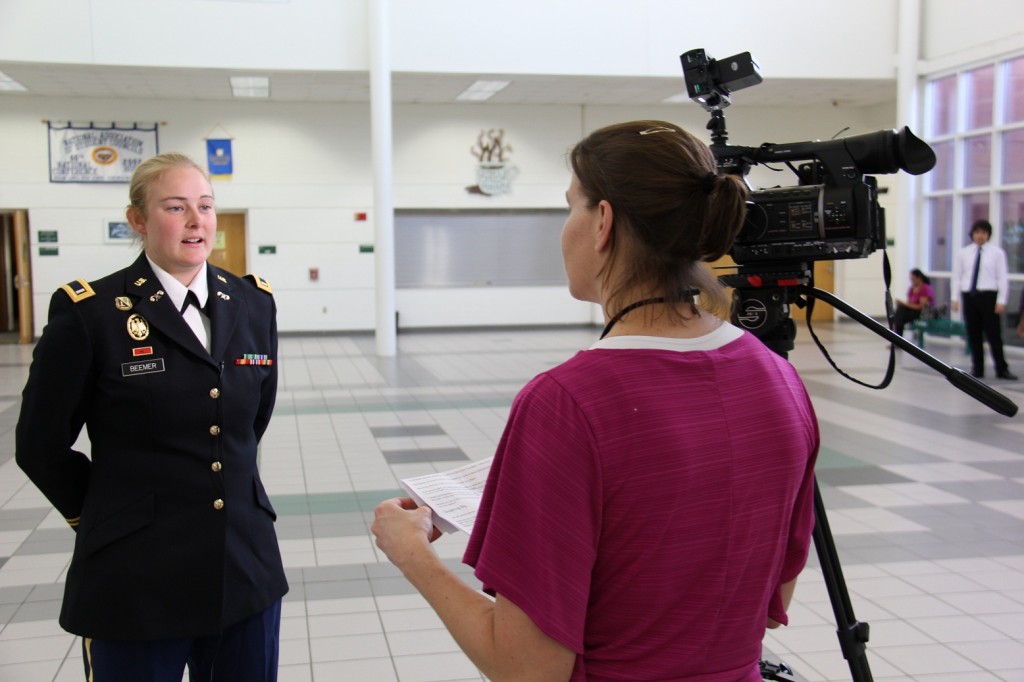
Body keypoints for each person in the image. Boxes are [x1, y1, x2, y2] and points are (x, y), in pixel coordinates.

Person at [372, 120, 820, 681]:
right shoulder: (780, 380)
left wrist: (413, 556)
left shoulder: (566, 404)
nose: (564, 230)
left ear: (603, 222)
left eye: (570, 208)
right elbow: (775, 594)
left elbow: (527, 669)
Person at [16, 153, 287, 681]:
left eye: (205, 206)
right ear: (137, 220)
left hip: (244, 566)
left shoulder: (253, 305)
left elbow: (251, 423)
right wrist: (106, 517)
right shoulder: (91, 314)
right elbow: (39, 446)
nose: (196, 221)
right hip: (137, 577)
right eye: (175, 207)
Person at [951, 219, 1018, 380]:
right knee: (973, 334)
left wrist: (1001, 300)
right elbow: (957, 277)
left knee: (994, 334)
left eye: (984, 233)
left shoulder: (997, 253)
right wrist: (955, 298)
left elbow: (1002, 278)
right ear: (972, 234)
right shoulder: (963, 253)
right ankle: (977, 368)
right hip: (970, 296)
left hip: (989, 296)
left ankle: (1001, 369)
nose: (980, 236)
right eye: (977, 232)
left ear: (988, 235)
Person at [893, 268, 935, 337]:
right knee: (900, 311)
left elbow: (921, 307)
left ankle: (896, 335)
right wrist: (904, 304)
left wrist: (905, 304)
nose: (912, 281)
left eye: (913, 279)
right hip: (912, 312)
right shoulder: (911, 289)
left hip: (922, 312)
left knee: (900, 315)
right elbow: (909, 303)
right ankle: (896, 333)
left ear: (919, 278)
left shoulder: (925, 288)